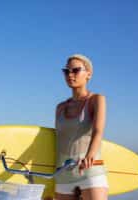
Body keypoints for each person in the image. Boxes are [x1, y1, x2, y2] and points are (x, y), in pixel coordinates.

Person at [54, 54, 108, 200]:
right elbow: (58, 140)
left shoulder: (96, 100)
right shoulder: (60, 108)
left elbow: (98, 131)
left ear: (88, 74)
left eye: (75, 70)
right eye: (66, 71)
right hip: (63, 173)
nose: (70, 74)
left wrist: (89, 156)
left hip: (89, 170)